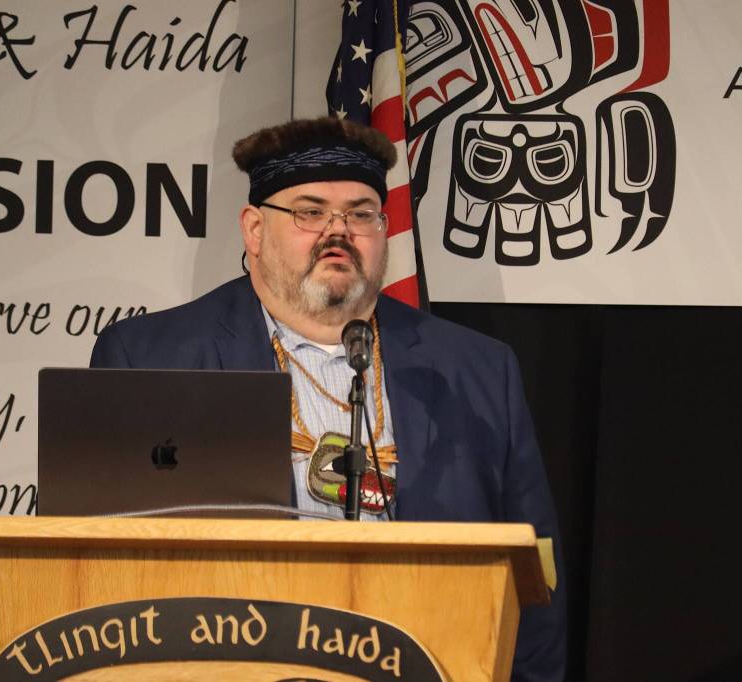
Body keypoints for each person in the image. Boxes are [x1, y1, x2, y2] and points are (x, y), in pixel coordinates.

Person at [90, 116, 566, 681]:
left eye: (361, 214)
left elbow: (537, 578)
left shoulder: (477, 369)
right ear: (254, 229)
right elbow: (98, 567)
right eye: (310, 212)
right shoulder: (150, 356)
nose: (337, 233)